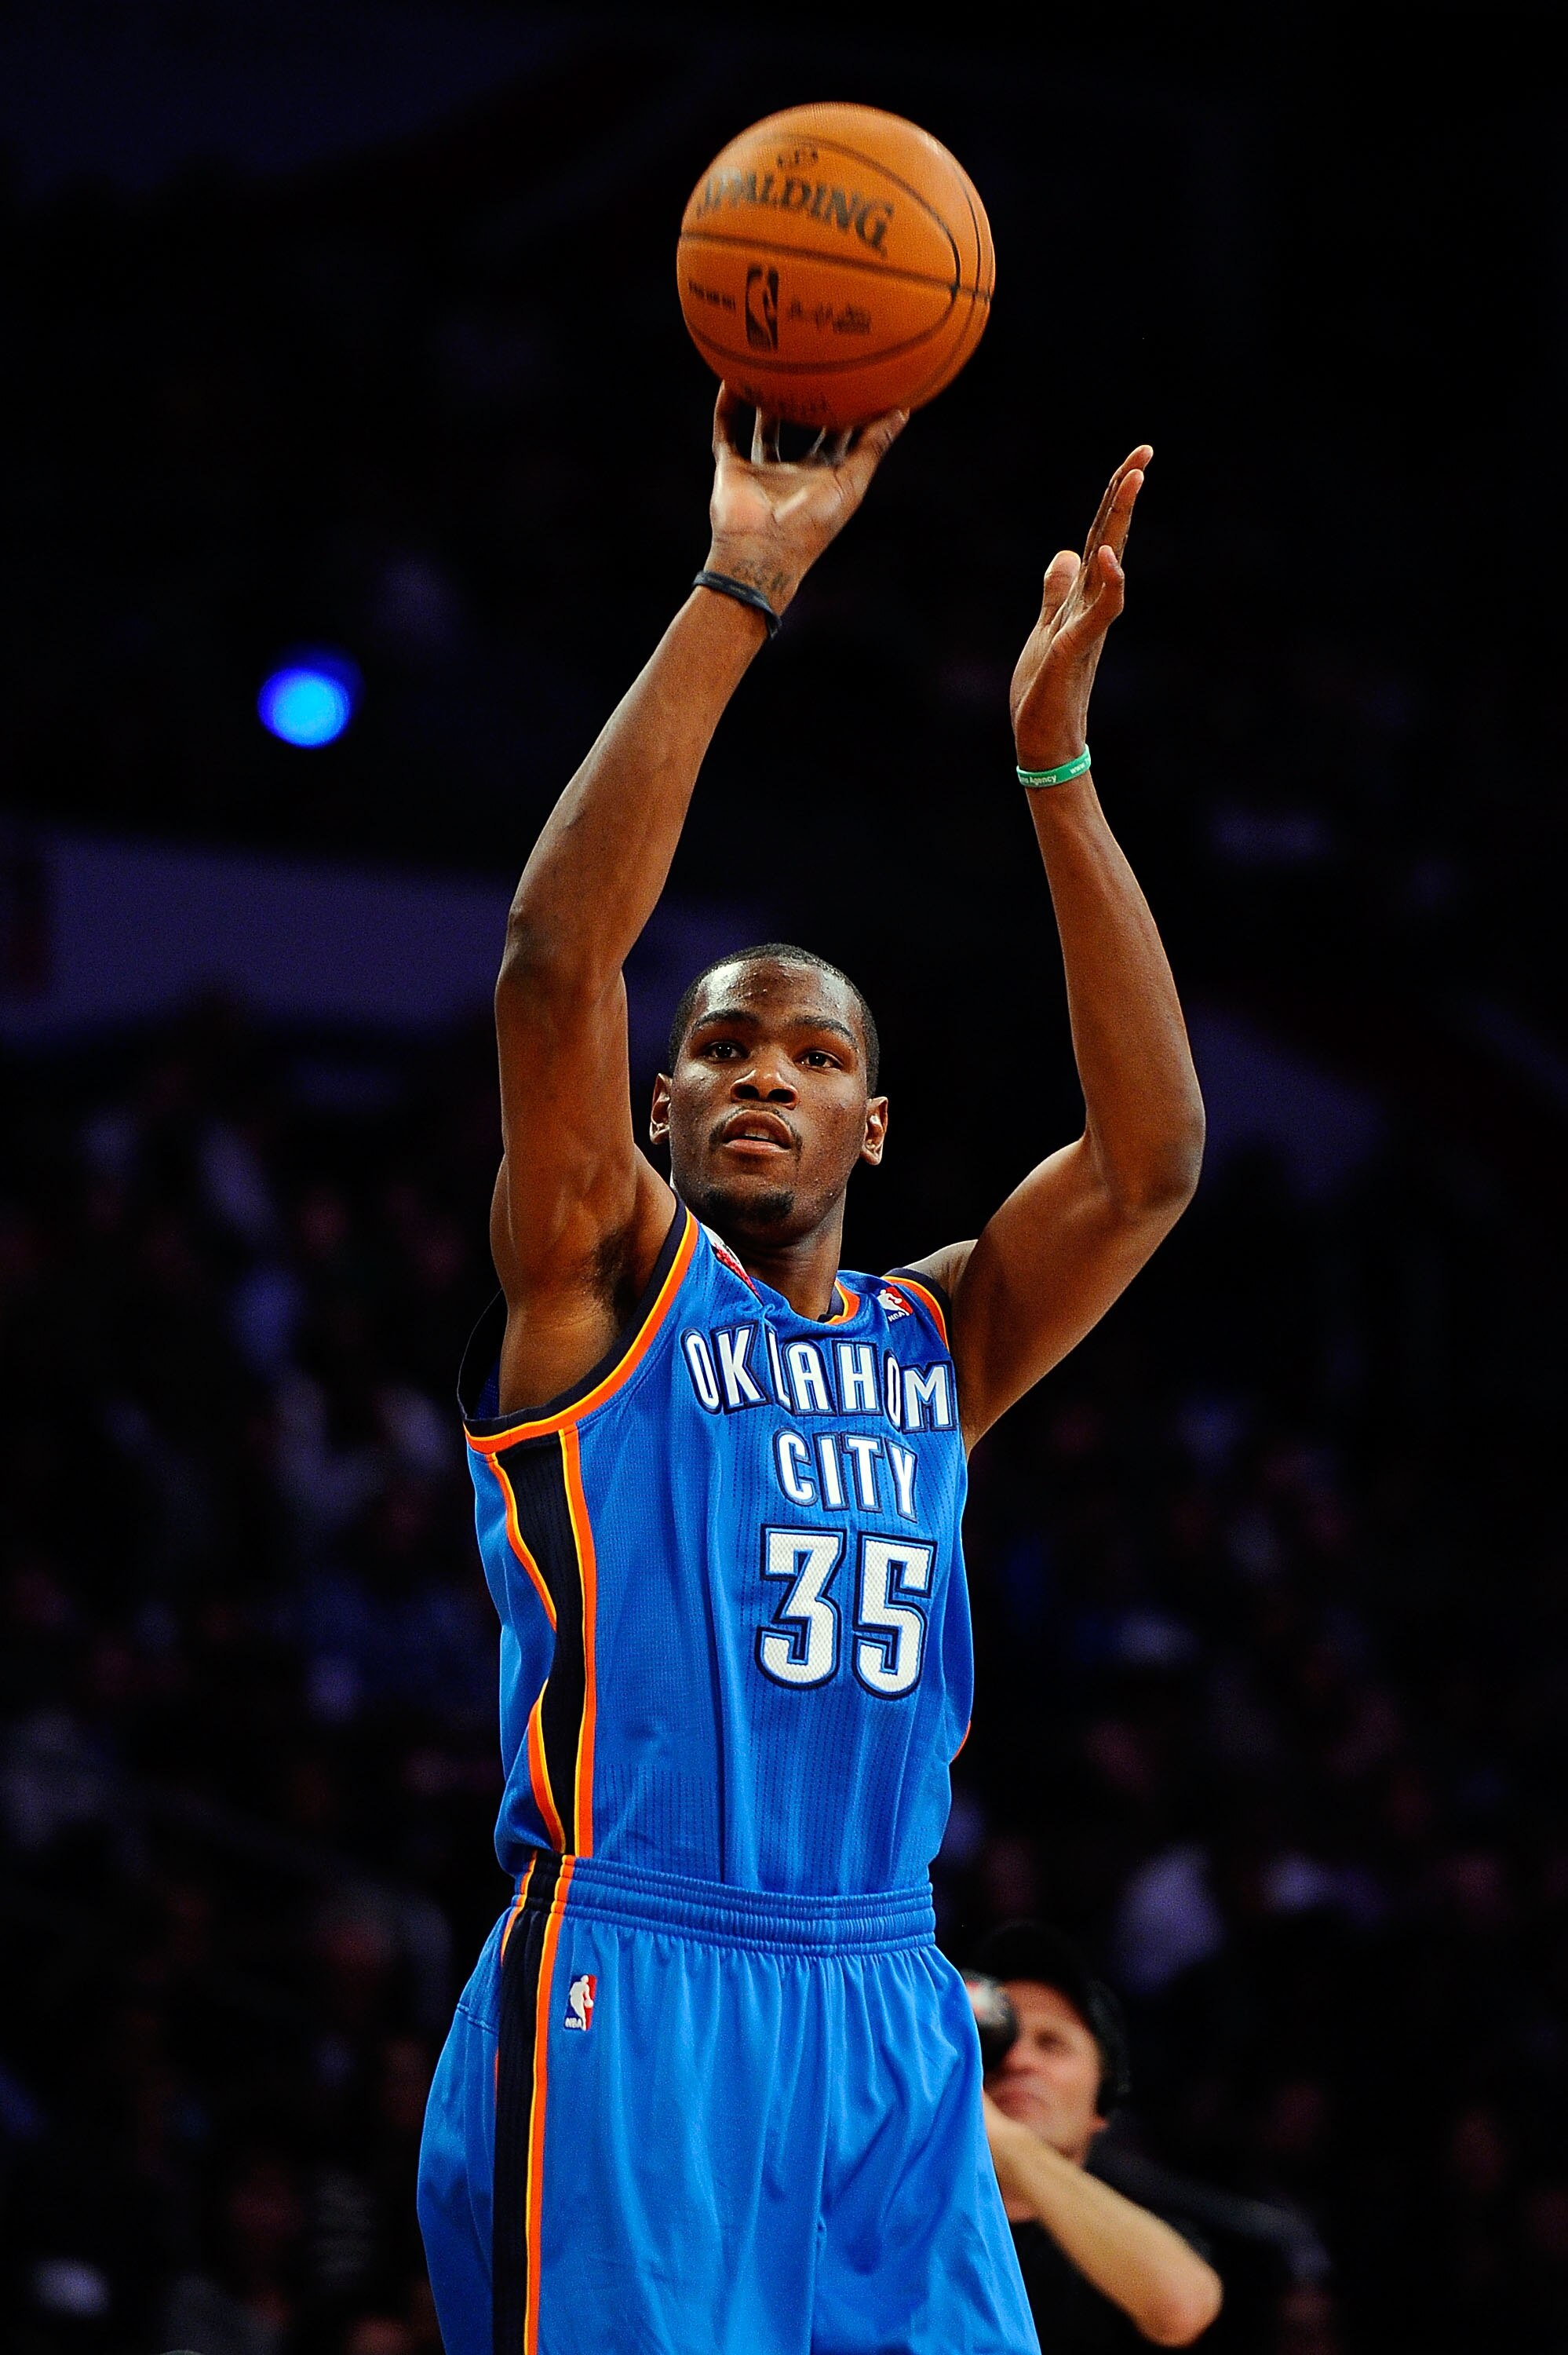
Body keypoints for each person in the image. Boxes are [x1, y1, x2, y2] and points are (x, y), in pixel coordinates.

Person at [414, 389, 1205, 2355]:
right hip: (630, 1977)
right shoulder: (600, 1287)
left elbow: (1149, 1163)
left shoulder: (933, 1341)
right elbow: (545, 966)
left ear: (871, 1125)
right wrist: (738, 582)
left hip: (878, 1998)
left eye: (813, 1053)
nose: (763, 1069)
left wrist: (1057, 770)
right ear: (663, 1108)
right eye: (723, 1045)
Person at [976, 1923, 1224, 2347]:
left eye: (1051, 2043)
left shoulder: (1140, 2242)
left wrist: (999, 2135)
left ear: (1101, 2106)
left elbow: (1181, 2308)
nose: (1017, 2061)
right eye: (993, 2042)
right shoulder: (898, 2222)